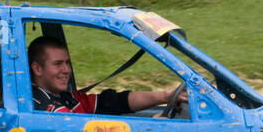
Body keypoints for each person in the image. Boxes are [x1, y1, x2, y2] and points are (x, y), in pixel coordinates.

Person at [29, 37, 185, 115]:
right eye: (57, 64)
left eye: (67, 63)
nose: (66, 70)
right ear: (37, 69)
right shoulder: (44, 108)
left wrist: (166, 96)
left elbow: (114, 102)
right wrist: (153, 129)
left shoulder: (66, 97)